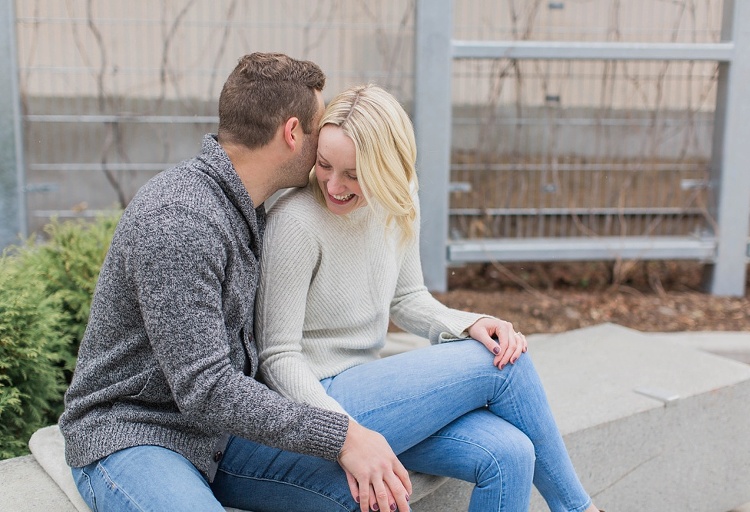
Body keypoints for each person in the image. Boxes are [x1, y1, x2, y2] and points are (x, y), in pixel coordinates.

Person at [58, 54, 412, 512]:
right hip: (135, 432)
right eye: (318, 125)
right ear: (291, 133)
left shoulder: (245, 205)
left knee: (368, 495)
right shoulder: (180, 220)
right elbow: (207, 389)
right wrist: (341, 435)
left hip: (221, 437)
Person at [256, 84, 604, 512]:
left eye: (354, 174)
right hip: (317, 401)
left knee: (511, 453)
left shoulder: (399, 200)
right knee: (498, 363)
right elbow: (277, 357)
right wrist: (346, 434)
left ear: (386, 169)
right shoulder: (295, 220)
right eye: (325, 165)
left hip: (371, 390)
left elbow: (407, 298)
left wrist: (467, 323)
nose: (334, 184)